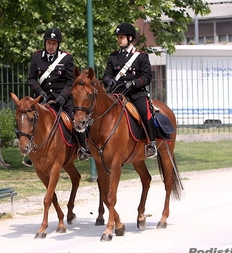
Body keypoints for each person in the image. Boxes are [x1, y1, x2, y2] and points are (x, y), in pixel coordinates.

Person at [23, 28, 91, 167]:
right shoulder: (37, 57)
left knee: (74, 119)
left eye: (54, 43)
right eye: (49, 42)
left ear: (58, 44)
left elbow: (71, 80)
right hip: (43, 99)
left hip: (62, 98)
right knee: (28, 120)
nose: (51, 46)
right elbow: (31, 79)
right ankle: (31, 152)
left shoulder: (66, 58)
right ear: (45, 43)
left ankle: (83, 148)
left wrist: (63, 96)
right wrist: (40, 91)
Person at [101, 22, 157, 158]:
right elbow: (106, 74)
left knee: (144, 111)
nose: (119, 40)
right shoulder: (113, 56)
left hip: (135, 93)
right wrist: (109, 80)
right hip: (117, 93)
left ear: (130, 38)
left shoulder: (141, 56)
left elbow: (147, 77)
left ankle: (151, 143)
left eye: (121, 37)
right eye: (118, 37)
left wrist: (134, 83)